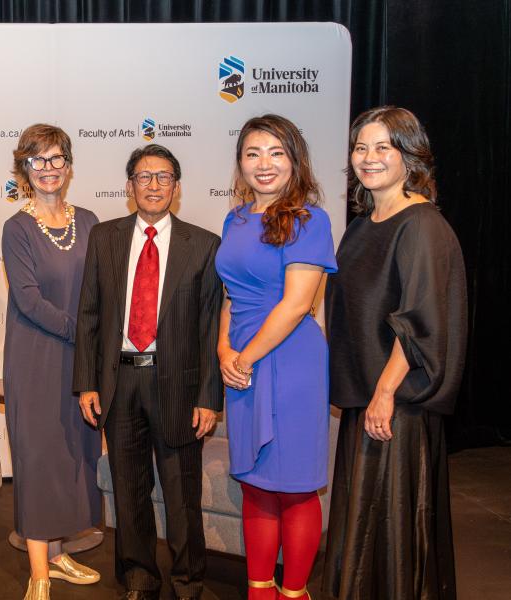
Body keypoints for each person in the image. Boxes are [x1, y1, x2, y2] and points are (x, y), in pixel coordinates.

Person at [323, 106, 467, 600]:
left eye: (383, 146)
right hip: (365, 396)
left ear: (409, 155)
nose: (369, 157)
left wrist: (385, 392)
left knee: (389, 527)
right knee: (361, 524)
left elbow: (420, 319)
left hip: (396, 407)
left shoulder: (421, 224)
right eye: (361, 147)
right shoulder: (364, 224)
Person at [74, 144, 222, 600]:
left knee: (181, 495)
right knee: (128, 489)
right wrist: (86, 384)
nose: (153, 185)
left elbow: (211, 327)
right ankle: (139, 578)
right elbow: (90, 315)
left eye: (162, 177)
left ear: (176, 188)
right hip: (119, 382)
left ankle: (187, 583)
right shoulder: (105, 237)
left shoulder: (204, 245)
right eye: (143, 177)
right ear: (129, 187)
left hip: (177, 384)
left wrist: (208, 397)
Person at [214, 114, 337, 600]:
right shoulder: (236, 218)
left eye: (276, 153)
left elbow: (296, 304)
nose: (263, 165)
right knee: (255, 481)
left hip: (289, 362)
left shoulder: (310, 219)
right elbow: (229, 296)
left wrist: (244, 357)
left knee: (294, 486)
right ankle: (259, 590)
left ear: (295, 160)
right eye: (252, 153)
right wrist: (224, 349)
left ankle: (294, 592)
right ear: (240, 163)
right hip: (241, 357)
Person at [2, 124, 102, 600]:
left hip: (81, 361)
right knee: (39, 458)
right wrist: (84, 333)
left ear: (69, 165)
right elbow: (27, 301)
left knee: (72, 456)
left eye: (57, 158)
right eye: (37, 160)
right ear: (24, 168)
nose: (48, 169)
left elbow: (101, 291)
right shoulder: (16, 227)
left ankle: (60, 555)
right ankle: (38, 571)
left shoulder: (90, 220)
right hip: (36, 359)